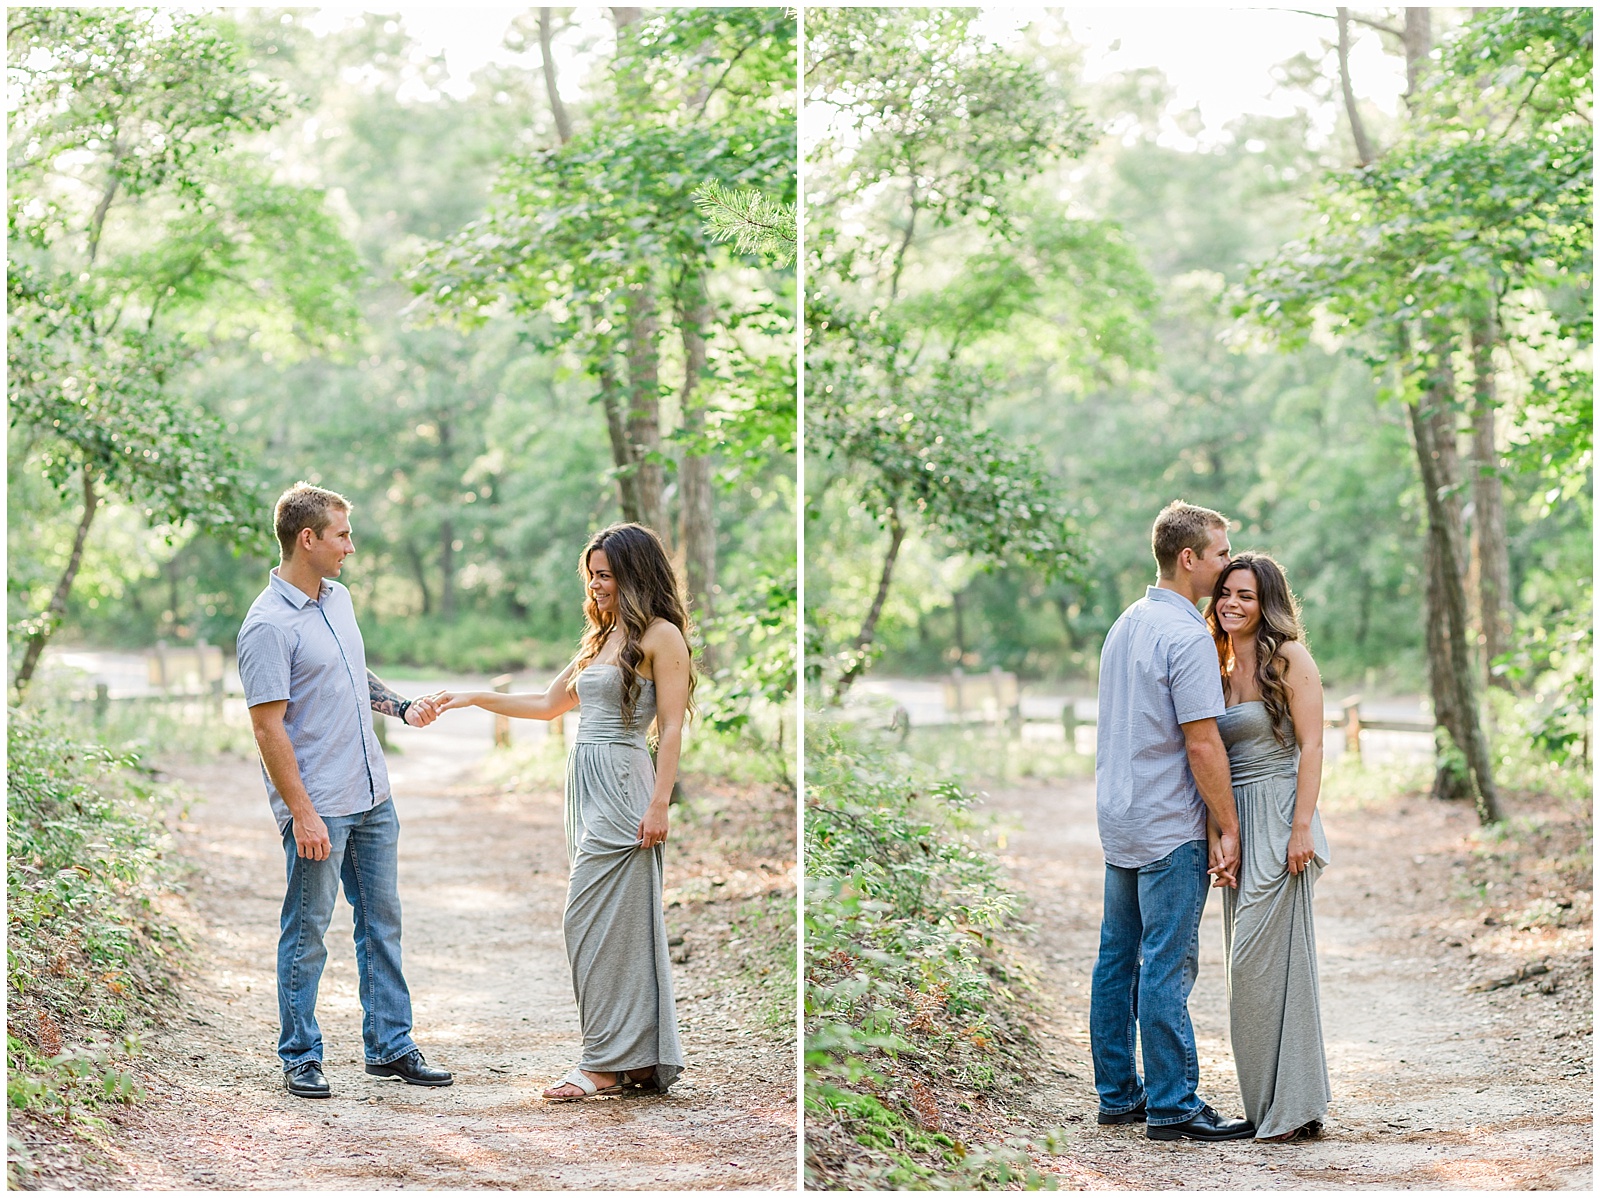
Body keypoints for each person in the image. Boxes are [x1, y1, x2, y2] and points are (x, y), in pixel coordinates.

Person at [436, 522, 692, 1101]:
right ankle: (638, 1060)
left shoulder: (661, 636)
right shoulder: (599, 639)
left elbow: (672, 725)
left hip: (627, 785)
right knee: (612, 924)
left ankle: (603, 1060)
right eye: (593, 575)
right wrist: (473, 696)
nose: (597, 585)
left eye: (606, 575)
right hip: (589, 787)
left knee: (587, 920)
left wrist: (660, 803)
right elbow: (549, 705)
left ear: (634, 574)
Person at [237, 482, 454, 1099]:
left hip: (372, 794)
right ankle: (300, 1054)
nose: (350, 548)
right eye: (341, 535)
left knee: (382, 921)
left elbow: (352, 672)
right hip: (320, 806)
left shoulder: (339, 600)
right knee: (307, 932)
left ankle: (390, 1045)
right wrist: (302, 815)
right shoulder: (266, 626)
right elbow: (266, 725)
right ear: (308, 539)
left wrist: (403, 707)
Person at [1090, 500, 1255, 1141]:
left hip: (1120, 817)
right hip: (1167, 823)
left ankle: (1118, 1094)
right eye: (1219, 553)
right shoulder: (1185, 635)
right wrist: (1229, 823)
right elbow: (1203, 743)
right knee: (1165, 965)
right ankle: (1174, 1105)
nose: (1225, 564)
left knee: (1116, 959)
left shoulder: (1126, 623)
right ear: (1189, 558)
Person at [1206, 552, 1331, 1142]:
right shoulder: (1217, 659)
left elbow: (1312, 747)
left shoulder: (1290, 659)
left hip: (1281, 817)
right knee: (1245, 971)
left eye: (1246, 596)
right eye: (1226, 592)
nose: (1232, 603)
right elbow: (1209, 758)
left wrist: (1301, 826)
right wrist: (1217, 830)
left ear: (1268, 602)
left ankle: (1295, 1105)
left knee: (1270, 966)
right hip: (1238, 822)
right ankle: (1268, 1108)